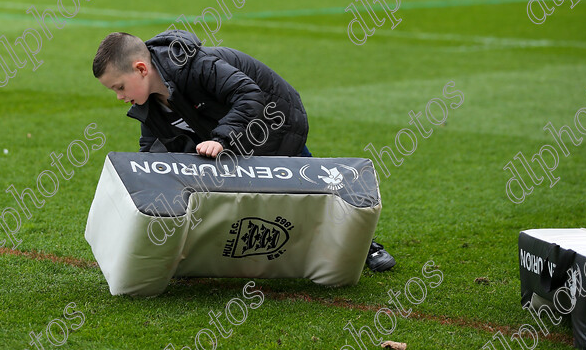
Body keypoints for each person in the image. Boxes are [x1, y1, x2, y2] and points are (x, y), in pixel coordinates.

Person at [92, 30, 396, 273]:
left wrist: (223, 139)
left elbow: (250, 94)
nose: (119, 97)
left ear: (141, 68)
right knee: (252, 203)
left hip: (275, 123)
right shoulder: (149, 105)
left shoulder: (196, 64)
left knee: (314, 190)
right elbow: (152, 155)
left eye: (119, 87)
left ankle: (366, 245)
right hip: (234, 139)